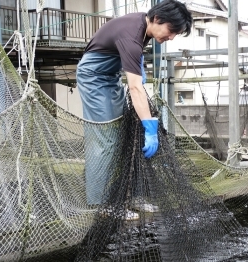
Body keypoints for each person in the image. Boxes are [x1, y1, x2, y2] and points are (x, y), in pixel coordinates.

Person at [76, 0, 193, 216]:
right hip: (94, 79)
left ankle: (133, 196)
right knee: (105, 139)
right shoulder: (132, 35)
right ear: (158, 19)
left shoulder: (143, 27)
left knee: (128, 134)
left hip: (109, 78)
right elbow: (135, 88)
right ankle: (102, 205)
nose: (172, 37)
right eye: (172, 30)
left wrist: (138, 65)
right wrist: (150, 126)